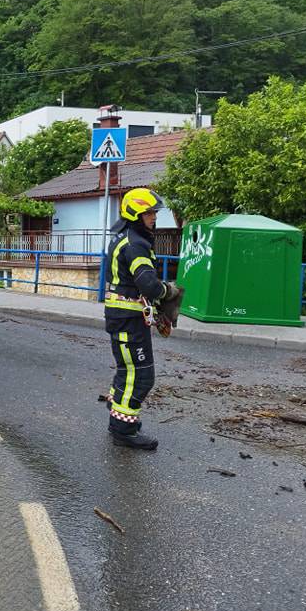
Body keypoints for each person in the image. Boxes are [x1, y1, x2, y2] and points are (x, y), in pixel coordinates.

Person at [103, 188, 181, 450]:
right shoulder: (136, 243)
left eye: (154, 213)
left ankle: (119, 416)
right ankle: (123, 430)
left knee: (127, 370)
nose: (154, 218)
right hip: (128, 318)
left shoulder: (123, 237)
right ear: (136, 214)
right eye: (149, 213)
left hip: (122, 315)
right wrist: (167, 291)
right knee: (142, 375)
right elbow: (147, 284)